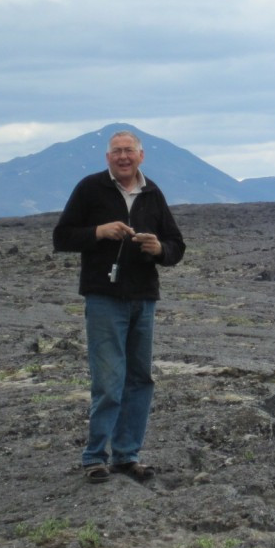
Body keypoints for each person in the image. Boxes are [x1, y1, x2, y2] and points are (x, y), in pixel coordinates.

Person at [53, 130, 186, 484]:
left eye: (129, 151)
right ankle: (95, 457)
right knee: (109, 381)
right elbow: (62, 237)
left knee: (140, 379)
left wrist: (158, 249)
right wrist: (98, 232)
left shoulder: (152, 192)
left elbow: (176, 246)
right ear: (107, 158)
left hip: (143, 298)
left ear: (141, 156)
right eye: (117, 151)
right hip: (104, 298)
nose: (123, 157)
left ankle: (127, 455)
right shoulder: (90, 188)